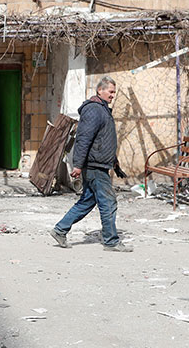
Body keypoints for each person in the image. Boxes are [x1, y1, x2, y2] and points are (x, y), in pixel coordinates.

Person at [50, 76, 132, 252]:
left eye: (114, 92)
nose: (113, 95)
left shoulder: (102, 110)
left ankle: (60, 229)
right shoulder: (94, 110)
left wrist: (114, 164)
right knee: (108, 202)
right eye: (110, 92)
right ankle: (111, 241)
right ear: (100, 90)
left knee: (87, 201)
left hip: (100, 164)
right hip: (95, 166)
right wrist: (78, 165)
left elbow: (103, 139)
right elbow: (83, 139)